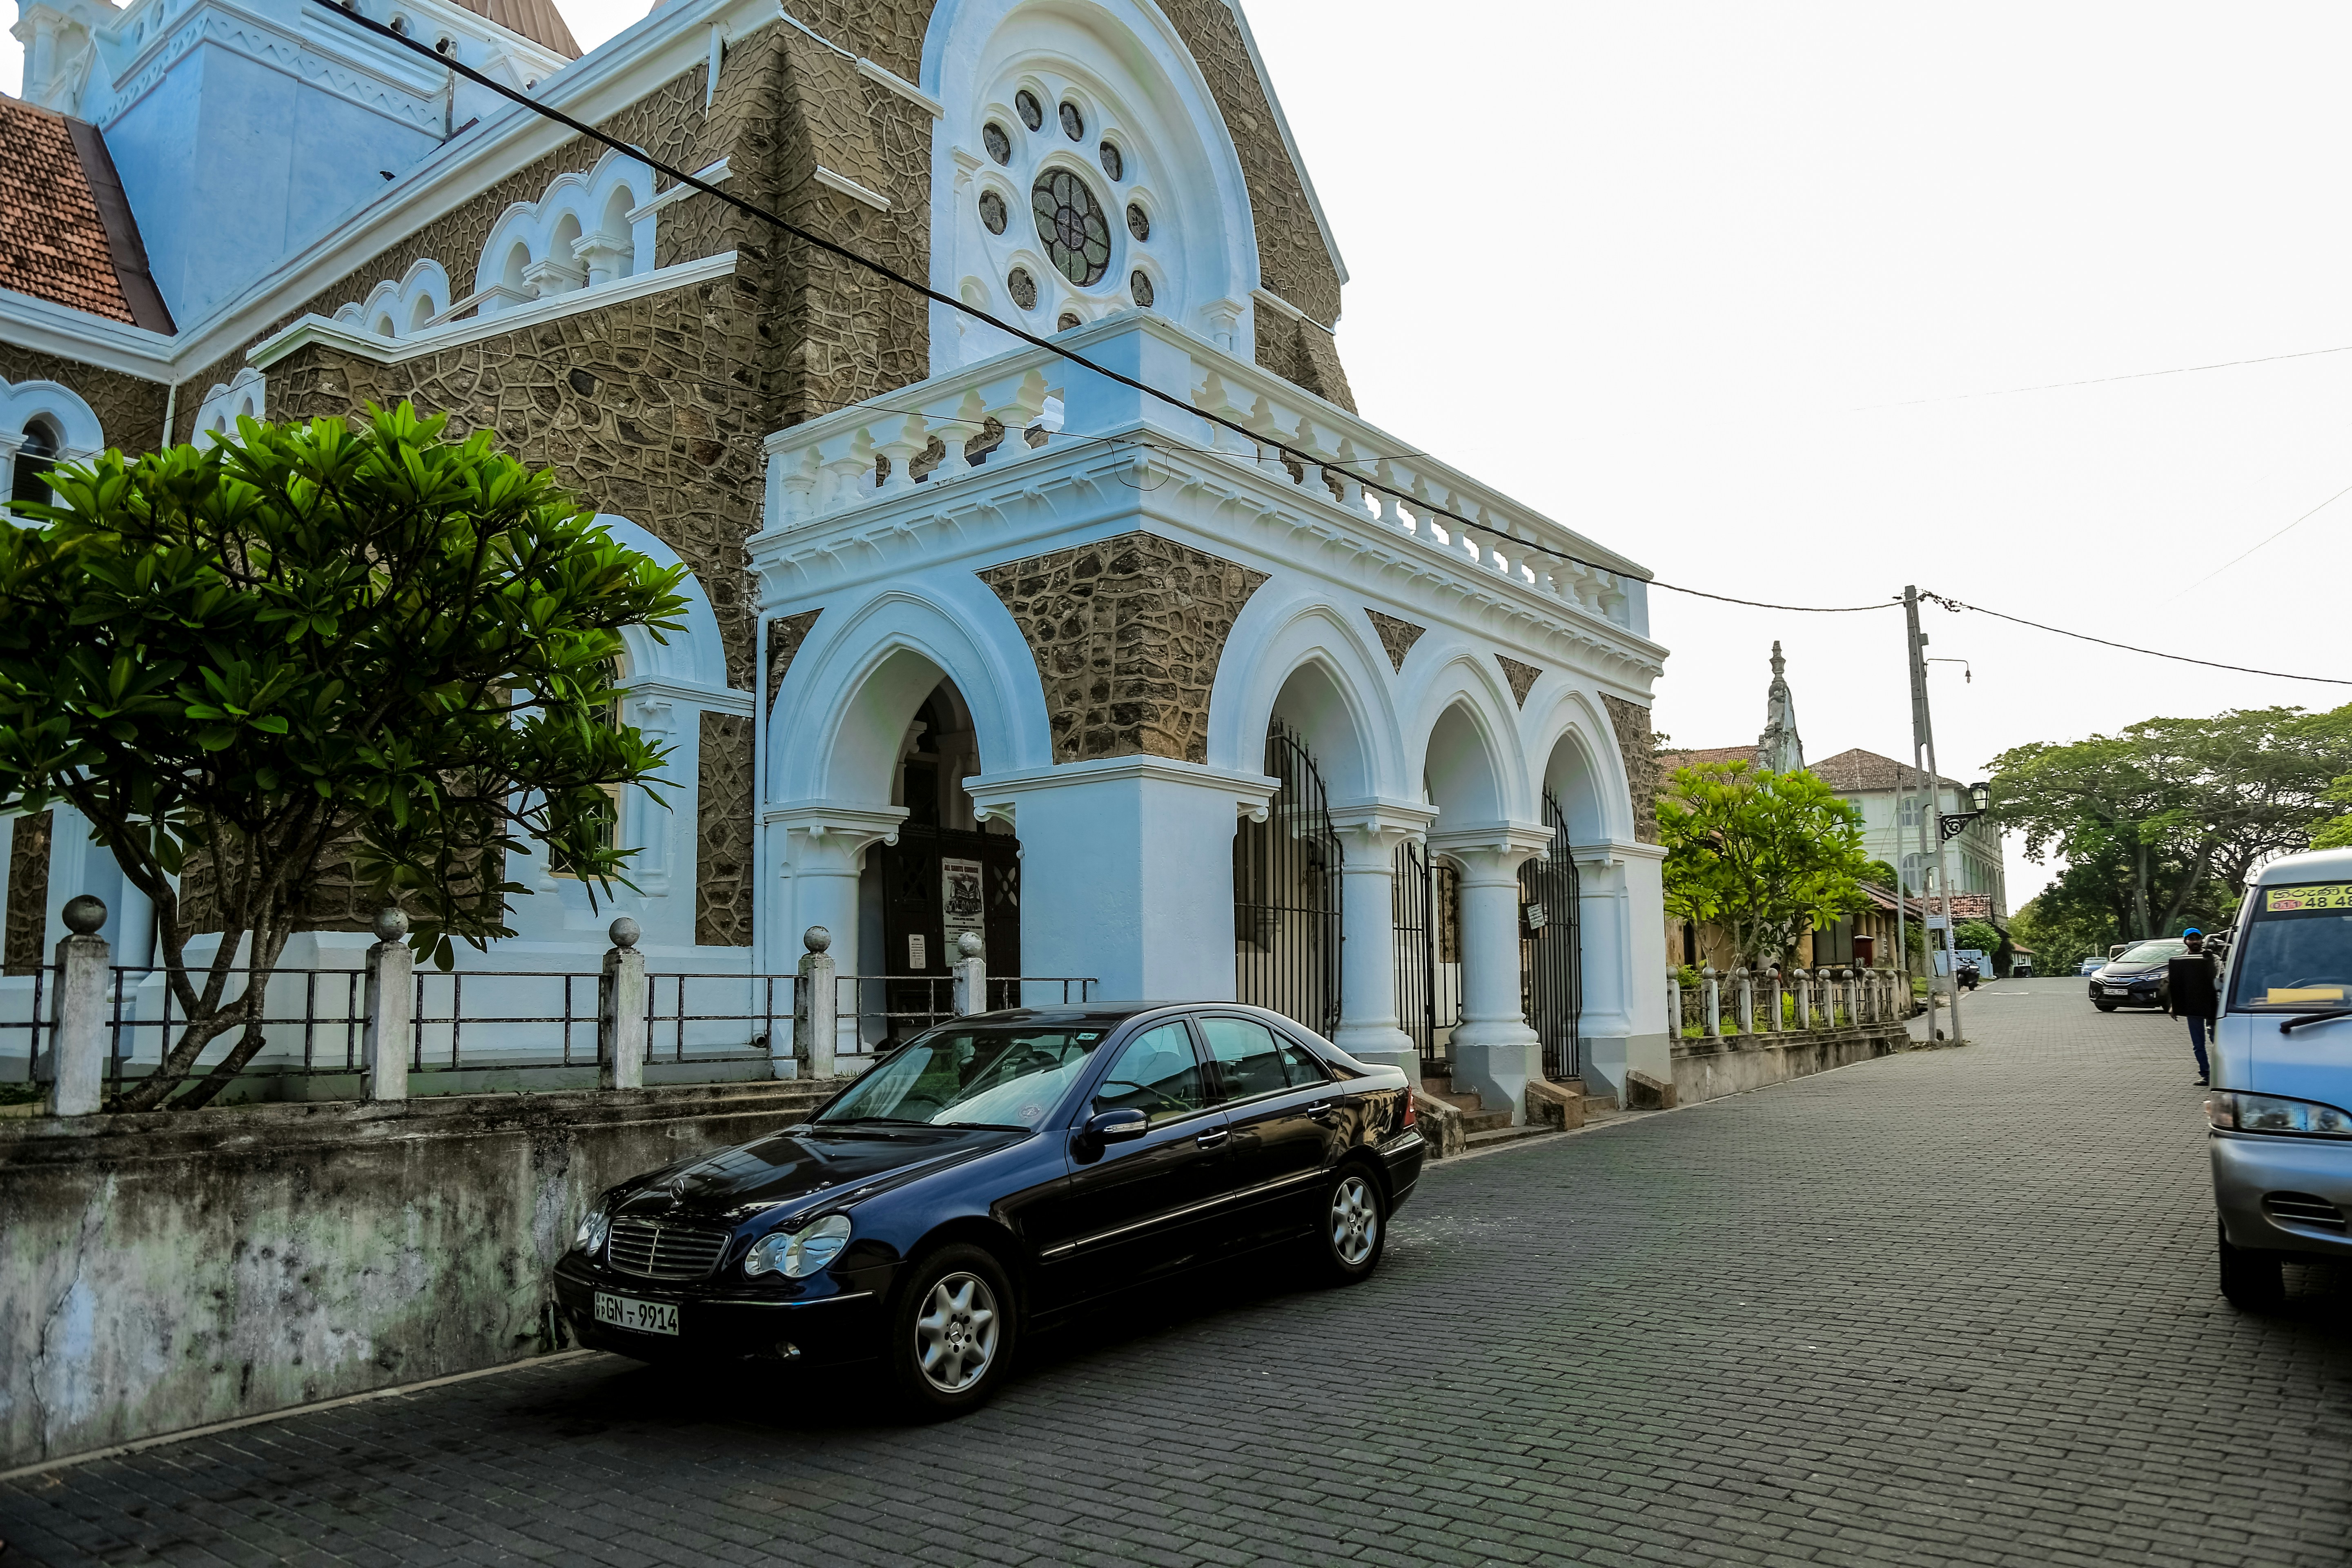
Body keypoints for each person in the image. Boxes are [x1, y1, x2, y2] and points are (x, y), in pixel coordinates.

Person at [2167, 929, 2221, 1087]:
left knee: (2216, 1040)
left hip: (2213, 1003)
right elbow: (2177, 985)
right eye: (2191, 939)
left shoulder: (2213, 958)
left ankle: (2221, 1074)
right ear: (2185, 941)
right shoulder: (2180, 961)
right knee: (2198, 1044)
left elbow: (2222, 979)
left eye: (2198, 939)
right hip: (2192, 1005)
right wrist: (2174, 1006)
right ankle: (2206, 1075)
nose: (2195, 942)